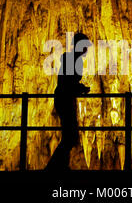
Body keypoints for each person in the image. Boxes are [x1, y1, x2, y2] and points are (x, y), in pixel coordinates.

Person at [45, 32, 91, 171]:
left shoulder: (72, 59)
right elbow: (67, 82)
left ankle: (60, 166)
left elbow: (68, 81)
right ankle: (53, 167)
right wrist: (80, 88)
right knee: (70, 136)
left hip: (64, 98)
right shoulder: (72, 60)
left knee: (69, 135)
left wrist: (80, 87)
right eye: (84, 46)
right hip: (65, 98)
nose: (86, 50)